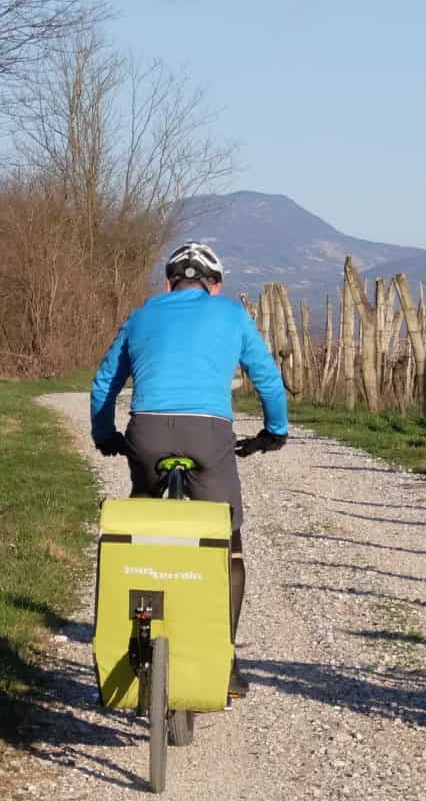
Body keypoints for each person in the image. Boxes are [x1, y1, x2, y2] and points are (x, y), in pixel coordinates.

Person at [90, 241, 288, 697]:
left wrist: (105, 434)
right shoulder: (232, 315)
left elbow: (105, 381)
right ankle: (226, 659)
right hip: (208, 434)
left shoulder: (141, 316)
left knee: (137, 531)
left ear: (168, 283)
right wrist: (274, 431)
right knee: (227, 542)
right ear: (214, 287)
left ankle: (133, 633)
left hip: (148, 432)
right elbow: (267, 377)